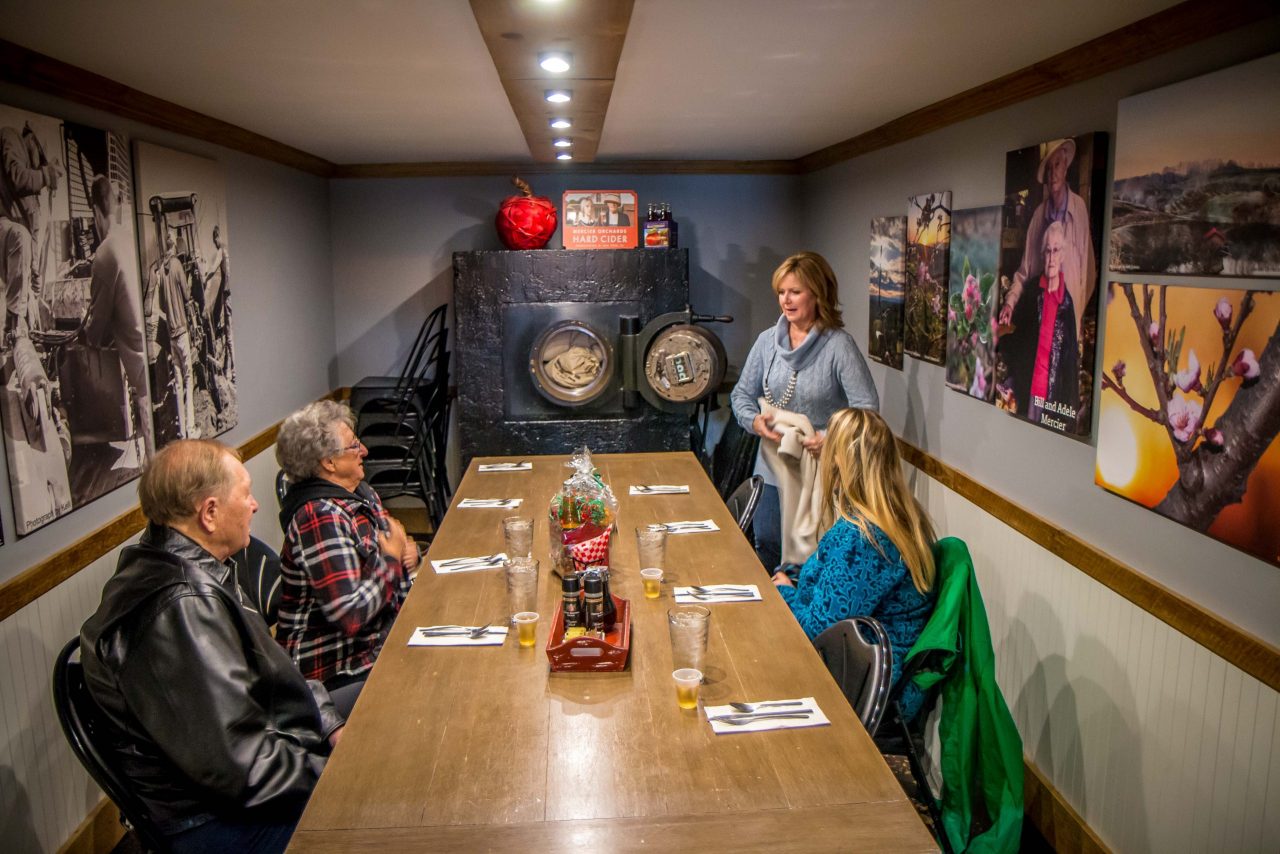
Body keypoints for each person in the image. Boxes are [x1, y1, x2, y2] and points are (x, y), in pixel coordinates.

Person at [80, 439, 344, 854]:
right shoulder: (180, 607)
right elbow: (242, 768)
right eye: (246, 494)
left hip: (256, 772)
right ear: (209, 513)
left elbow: (273, 670)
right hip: (212, 821)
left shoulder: (189, 564)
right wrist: (340, 773)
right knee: (391, 814)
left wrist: (329, 725)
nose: (255, 505)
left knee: (380, 714)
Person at [771, 408, 937, 720]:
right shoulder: (901, 516)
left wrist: (782, 592)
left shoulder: (863, 540)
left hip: (864, 685)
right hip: (869, 668)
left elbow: (819, 631)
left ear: (841, 462)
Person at [730, 251, 878, 570]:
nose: (786, 299)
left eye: (795, 291)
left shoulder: (839, 345)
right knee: (767, 546)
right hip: (772, 464)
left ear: (818, 293)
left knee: (813, 558)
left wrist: (829, 438)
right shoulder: (767, 342)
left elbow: (867, 411)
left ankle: (805, 619)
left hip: (822, 467)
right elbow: (741, 394)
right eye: (781, 292)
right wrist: (754, 421)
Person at [275, 401, 417, 716]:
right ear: (328, 462)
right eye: (354, 445)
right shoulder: (319, 515)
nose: (364, 450)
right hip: (332, 677)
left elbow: (392, 565)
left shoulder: (361, 494)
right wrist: (392, 561)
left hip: (378, 646)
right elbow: (351, 615)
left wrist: (409, 556)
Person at [70, 175, 154, 502]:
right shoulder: (130, 240)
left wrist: (86, 335)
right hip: (150, 348)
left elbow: (98, 324)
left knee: (153, 452)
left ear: (95, 211)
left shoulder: (105, 253)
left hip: (137, 361)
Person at [998, 137, 1095, 343]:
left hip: (1067, 324)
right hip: (1038, 323)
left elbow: (1088, 274)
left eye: (1057, 165)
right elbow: (1024, 273)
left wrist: (1075, 315)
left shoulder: (1079, 210)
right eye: (1049, 168)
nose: (1053, 174)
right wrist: (1010, 303)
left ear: (1066, 166)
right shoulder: (1037, 216)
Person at [0, 122, 61, 342]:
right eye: (40, 160)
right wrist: (46, 175)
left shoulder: (31, 198)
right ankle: (14, 325)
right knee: (20, 236)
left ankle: (19, 328)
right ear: (32, 141)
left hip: (9, 241)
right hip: (3, 227)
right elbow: (17, 176)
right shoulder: (11, 136)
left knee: (24, 238)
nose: (39, 165)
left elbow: (35, 232)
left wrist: (36, 277)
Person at [1021, 221, 1079, 425]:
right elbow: (1016, 338)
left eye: (1056, 251)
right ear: (1042, 255)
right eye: (1048, 251)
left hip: (1052, 400)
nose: (1052, 258)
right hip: (1027, 393)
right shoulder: (1030, 293)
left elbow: (1070, 362)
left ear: (1062, 255)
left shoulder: (1067, 303)